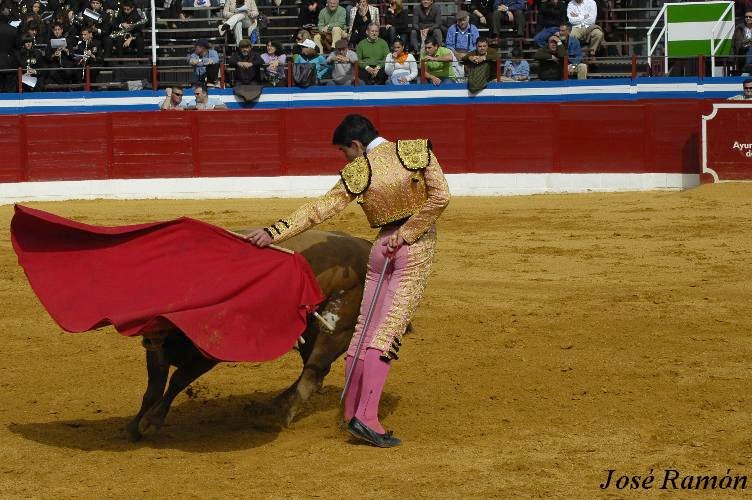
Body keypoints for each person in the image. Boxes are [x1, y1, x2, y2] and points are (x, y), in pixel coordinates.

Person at [245, 114, 451, 448]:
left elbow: (320, 209)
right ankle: (366, 419)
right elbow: (440, 198)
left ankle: (351, 410)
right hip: (413, 248)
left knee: (364, 330)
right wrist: (410, 233)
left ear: (356, 144)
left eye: (345, 152)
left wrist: (274, 232)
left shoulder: (360, 170)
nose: (346, 159)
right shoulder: (415, 151)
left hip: (381, 247)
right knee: (387, 332)